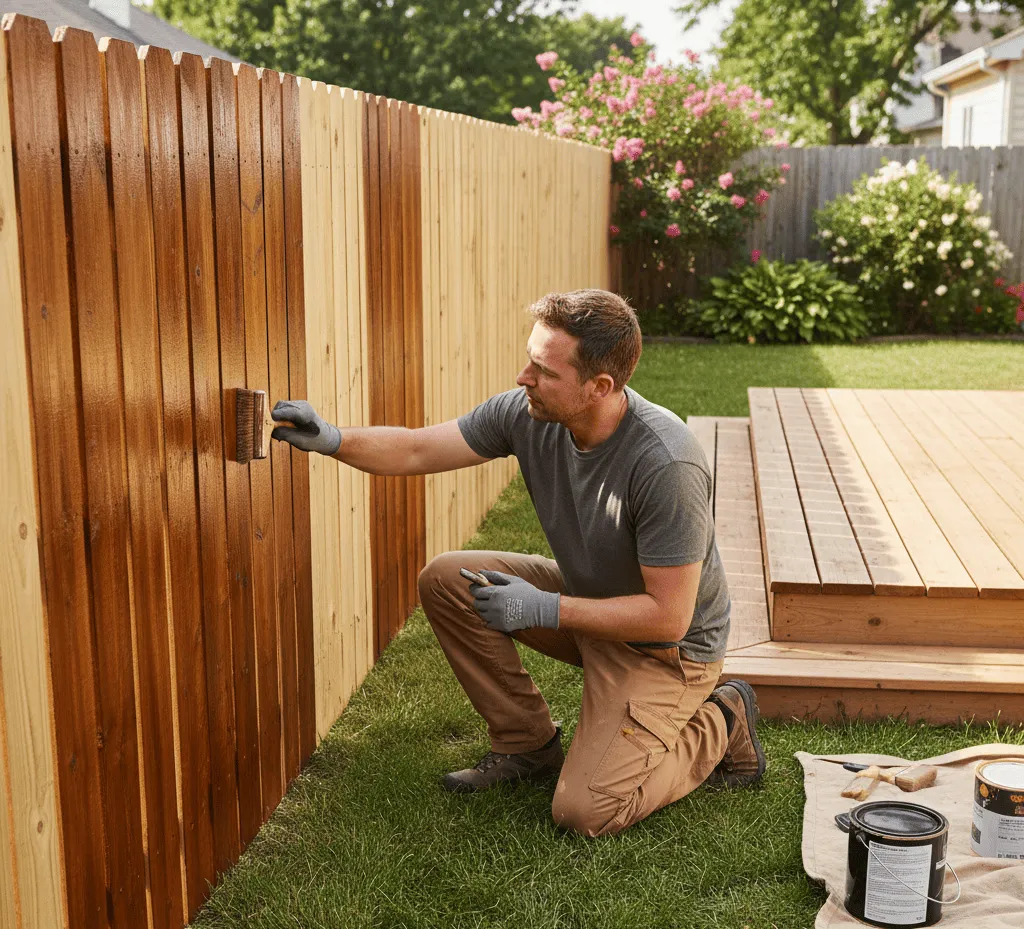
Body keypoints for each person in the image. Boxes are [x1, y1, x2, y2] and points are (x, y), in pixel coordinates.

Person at [271, 288, 766, 838]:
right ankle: (527, 746)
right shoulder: (530, 414)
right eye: (531, 360)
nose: (522, 378)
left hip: (667, 651)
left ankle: (723, 718)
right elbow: (416, 448)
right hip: (591, 602)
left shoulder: (665, 463)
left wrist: (546, 608)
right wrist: (335, 439)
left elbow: (668, 618)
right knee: (448, 580)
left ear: (600, 387)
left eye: (543, 370)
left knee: (585, 813)